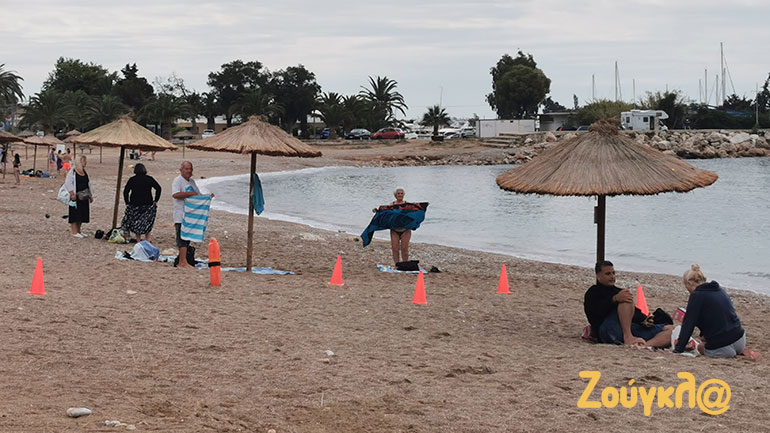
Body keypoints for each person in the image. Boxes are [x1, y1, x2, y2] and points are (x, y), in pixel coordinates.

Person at [584, 261, 673, 347]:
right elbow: (596, 312)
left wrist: (644, 320)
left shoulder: (618, 291)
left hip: (628, 328)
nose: (612, 276)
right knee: (625, 298)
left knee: (671, 330)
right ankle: (628, 337)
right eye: (608, 274)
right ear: (598, 276)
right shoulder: (593, 292)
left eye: (613, 273)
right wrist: (614, 299)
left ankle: (645, 345)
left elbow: (632, 311)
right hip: (607, 330)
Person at [674, 265, 749, 358]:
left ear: (689, 283)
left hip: (723, 348)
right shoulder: (719, 290)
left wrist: (678, 350)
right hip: (740, 340)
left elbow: (688, 325)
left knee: (701, 346)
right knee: (705, 338)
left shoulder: (697, 296)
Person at [121, 163, 162, 243]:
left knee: (137, 221)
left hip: (135, 203)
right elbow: (158, 188)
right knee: (148, 221)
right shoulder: (149, 179)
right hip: (148, 203)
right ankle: (148, 239)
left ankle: (138, 239)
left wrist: (127, 202)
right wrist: (156, 200)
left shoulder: (132, 179)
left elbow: (126, 191)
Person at [371, 187, 413, 265]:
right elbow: (384, 214)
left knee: (405, 249)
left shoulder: (408, 205)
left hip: (405, 230)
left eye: (401, 193)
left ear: (404, 194)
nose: (400, 195)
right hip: (394, 230)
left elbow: (415, 214)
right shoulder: (391, 205)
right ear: (395, 195)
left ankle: (405, 265)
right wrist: (377, 211)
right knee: (395, 249)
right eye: (398, 193)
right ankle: (397, 265)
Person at [171, 161, 201, 268]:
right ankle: (182, 262)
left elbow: (198, 195)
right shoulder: (177, 181)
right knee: (181, 238)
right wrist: (189, 194)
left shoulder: (192, 182)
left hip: (190, 215)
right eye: (187, 169)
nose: (189, 171)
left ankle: (183, 260)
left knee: (187, 238)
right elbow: (175, 194)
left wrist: (207, 198)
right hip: (180, 215)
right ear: (181, 170)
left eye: (190, 169)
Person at [65, 155, 94, 238]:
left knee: (82, 213)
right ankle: (74, 232)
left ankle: (79, 230)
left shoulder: (84, 171)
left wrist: (90, 196)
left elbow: (88, 184)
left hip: (84, 196)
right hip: (76, 196)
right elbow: (68, 182)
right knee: (75, 213)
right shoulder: (73, 172)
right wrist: (71, 193)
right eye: (84, 161)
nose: (86, 162)